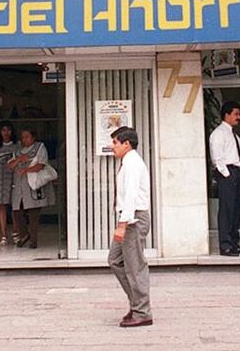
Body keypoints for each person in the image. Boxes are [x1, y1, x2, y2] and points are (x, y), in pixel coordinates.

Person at [108, 126, 152, 328]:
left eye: (115, 142)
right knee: (115, 260)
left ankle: (142, 312)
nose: (112, 146)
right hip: (128, 219)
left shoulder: (133, 164)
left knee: (135, 266)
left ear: (127, 144)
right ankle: (136, 304)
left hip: (133, 220)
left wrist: (122, 225)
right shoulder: (127, 162)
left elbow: (132, 196)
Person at [209, 100, 240, 256]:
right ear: (227, 115)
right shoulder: (218, 134)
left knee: (236, 209)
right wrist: (227, 175)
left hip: (236, 172)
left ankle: (234, 243)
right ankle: (225, 245)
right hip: (227, 173)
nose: (239, 117)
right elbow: (217, 158)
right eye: (236, 114)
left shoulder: (234, 135)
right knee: (226, 210)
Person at [9, 127, 54, 249]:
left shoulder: (40, 147)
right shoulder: (18, 151)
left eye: (27, 137)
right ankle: (24, 234)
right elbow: (10, 166)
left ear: (33, 137)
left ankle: (33, 240)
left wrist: (27, 169)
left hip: (32, 185)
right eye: (23, 137)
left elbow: (41, 164)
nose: (25, 139)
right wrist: (19, 159)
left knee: (34, 214)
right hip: (19, 186)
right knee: (17, 212)